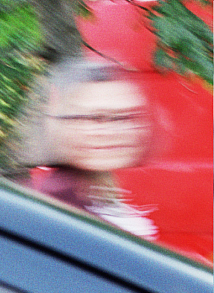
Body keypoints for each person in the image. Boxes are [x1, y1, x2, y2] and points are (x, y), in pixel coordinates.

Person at [20, 57, 158, 240]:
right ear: (60, 121)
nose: (112, 131)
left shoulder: (94, 198)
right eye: (96, 118)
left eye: (126, 117)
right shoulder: (55, 212)